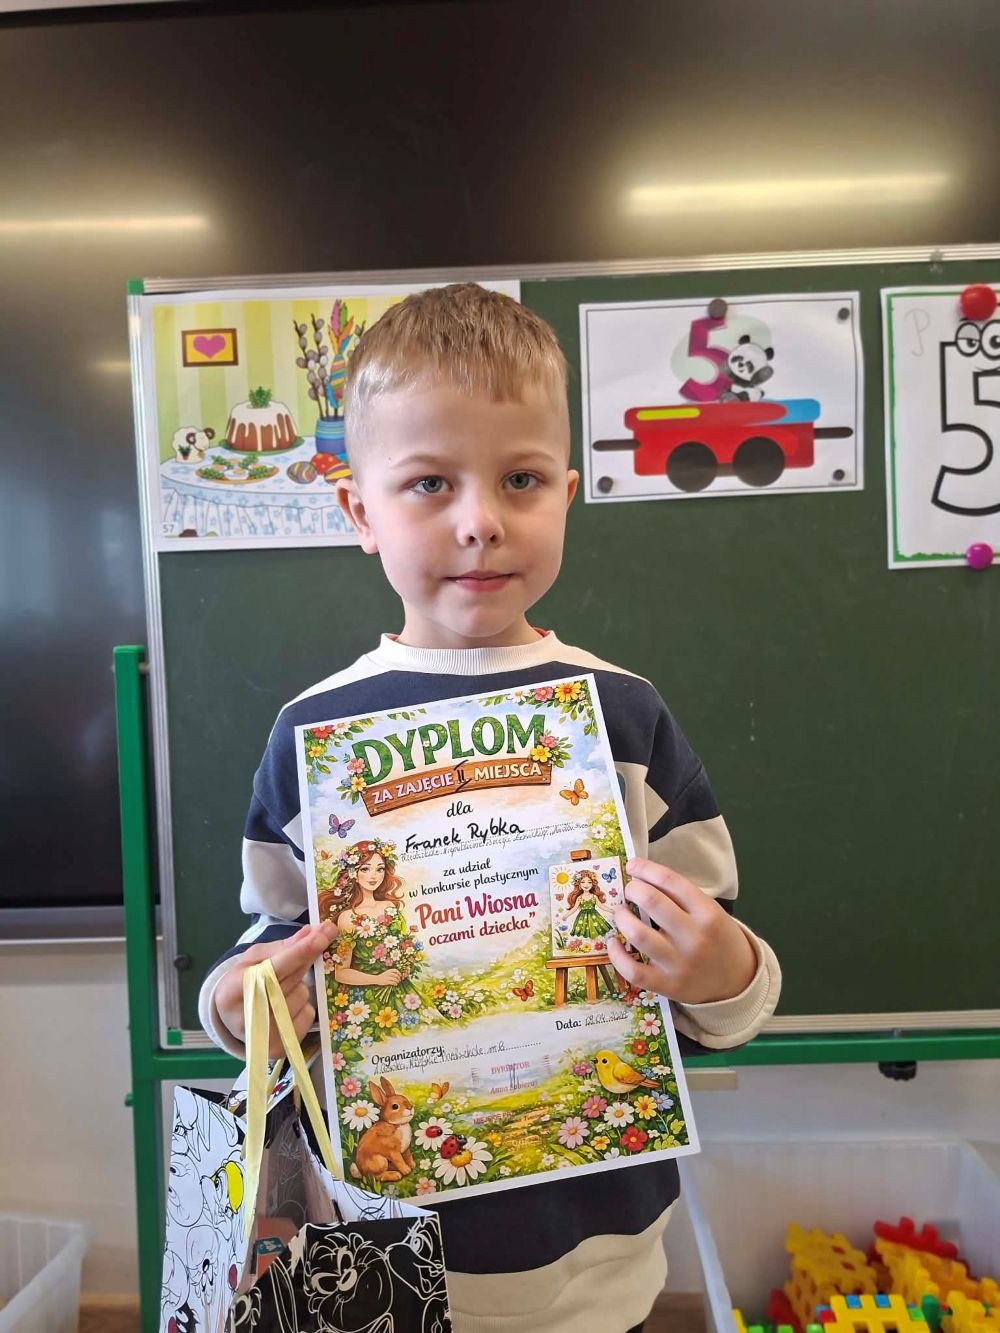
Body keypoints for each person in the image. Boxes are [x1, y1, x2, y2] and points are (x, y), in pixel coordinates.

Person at [200, 282, 782, 1333]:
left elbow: (721, 959)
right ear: (359, 512)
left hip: (598, 1255)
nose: (480, 521)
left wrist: (723, 971)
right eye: (429, 483)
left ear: (566, 493)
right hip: (377, 1250)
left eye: (520, 479)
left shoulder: (624, 713)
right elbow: (270, 940)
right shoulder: (311, 732)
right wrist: (239, 1007)